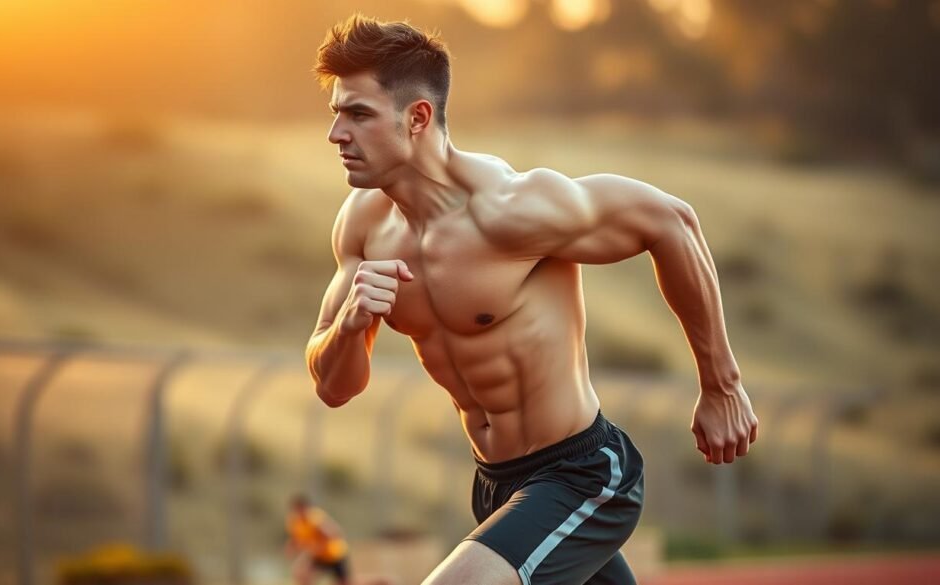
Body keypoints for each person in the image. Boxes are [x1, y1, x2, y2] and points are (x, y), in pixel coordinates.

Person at [305, 14, 759, 585]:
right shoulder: (362, 227)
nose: (336, 134)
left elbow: (672, 221)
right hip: (497, 488)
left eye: (358, 114)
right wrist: (349, 327)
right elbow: (334, 387)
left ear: (417, 117)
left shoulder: (511, 209)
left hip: (581, 474)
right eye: (336, 113)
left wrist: (721, 385)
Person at [285, 493, 352, 585]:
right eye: (296, 509)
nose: (299, 512)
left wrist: (320, 543)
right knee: (301, 572)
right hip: (318, 557)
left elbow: (335, 533)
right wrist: (291, 547)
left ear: (306, 507)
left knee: (344, 582)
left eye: (301, 508)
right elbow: (296, 538)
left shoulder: (314, 518)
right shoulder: (295, 522)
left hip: (335, 555)